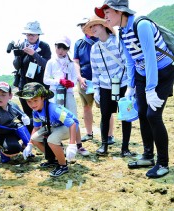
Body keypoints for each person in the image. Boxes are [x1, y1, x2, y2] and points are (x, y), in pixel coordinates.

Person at [95, 0, 174, 178]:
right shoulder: (122, 32)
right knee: (142, 112)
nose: (105, 16)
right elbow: (131, 60)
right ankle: (147, 155)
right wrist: (131, 86)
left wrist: (151, 88)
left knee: (153, 115)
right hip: (141, 73)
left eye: (108, 11)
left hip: (162, 71)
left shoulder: (142, 25)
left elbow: (151, 58)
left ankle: (163, 163)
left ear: (120, 12)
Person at [83, 15, 133, 156]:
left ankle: (125, 148)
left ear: (103, 26)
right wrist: (97, 90)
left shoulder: (117, 42)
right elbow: (95, 72)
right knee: (105, 115)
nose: (93, 29)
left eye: (95, 25)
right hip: (105, 86)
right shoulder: (94, 48)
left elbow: (127, 64)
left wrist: (130, 86)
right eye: (90, 27)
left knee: (125, 115)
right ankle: (104, 145)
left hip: (122, 84)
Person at [16, 82, 81, 177]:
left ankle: (63, 165)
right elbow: (36, 127)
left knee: (51, 140)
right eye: (29, 101)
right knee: (34, 138)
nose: (32, 104)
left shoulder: (54, 109)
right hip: (54, 126)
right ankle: (54, 159)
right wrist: (29, 144)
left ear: (43, 98)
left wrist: (72, 144)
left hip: (69, 127)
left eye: (35, 100)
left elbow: (72, 123)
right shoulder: (35, 111)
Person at [43, 35, 89, 156]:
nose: (61, 50)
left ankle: (78, 145)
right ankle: (58, 145)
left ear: (68, 49)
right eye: (59, 47)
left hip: (68, 94)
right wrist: (59, 81)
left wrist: (71, 83)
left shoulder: (71, 63)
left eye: (64, 48)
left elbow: (74, 78)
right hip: (54, 95)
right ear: (55, 47)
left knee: (74, 118)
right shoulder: (51, 62)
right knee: (56, 119)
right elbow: (46, 80)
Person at [74, 18, 115, 144]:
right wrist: (79, 77)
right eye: (81, 25)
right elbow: (76, 62)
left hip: (103, 80)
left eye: (85, 24)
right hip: (85, 81)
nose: (83, 27)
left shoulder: (101, 38)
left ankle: (109, 135)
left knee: (106, 108)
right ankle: (89, 133)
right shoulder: (79, 43)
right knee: (86, 107)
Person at [0, 81, 31, 170]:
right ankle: (4, 151)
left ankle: (26, 148)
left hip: (10, 132)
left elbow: (23, 117)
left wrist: (26, 118)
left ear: (10, 96)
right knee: (13, 148)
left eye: (3, 94)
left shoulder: (13, 105)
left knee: (27, 124)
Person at [13, 21, 52, 121]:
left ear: (38, 34)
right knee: (28, 114)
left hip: (40, 86)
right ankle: (32, 135)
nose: (31, 36)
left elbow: (46, 64)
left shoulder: (45, 47)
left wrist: (34, 54)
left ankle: (45, 134)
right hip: (24, 85)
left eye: (33, 34)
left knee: (43, 112)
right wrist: (17, 54)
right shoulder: (21, 46)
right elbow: (17, 66)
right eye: (29, 34)